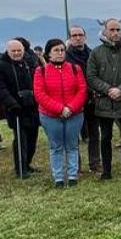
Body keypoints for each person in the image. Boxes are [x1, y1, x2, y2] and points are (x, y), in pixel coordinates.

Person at [86, 19, 121, 178]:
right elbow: (91, 77)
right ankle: (106, 171)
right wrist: (108, 89)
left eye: (118, 29)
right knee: (105, 137)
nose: (115, 33)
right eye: (112, 30)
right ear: (105, 31)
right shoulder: (96, 53)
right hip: (105, 103)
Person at [34, 38, 88, 187]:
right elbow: (40, 94)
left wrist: (70, 108)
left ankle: (72, 175)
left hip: (74, 114)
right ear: (48, 54)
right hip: (50, 115)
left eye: (62, 50)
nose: (60, 53)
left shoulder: (75, 69)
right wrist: (59, 109)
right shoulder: (41, 71)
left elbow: (82, 90)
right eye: (56, 50)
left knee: (72, 145)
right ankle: (58, 177)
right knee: (56, 146)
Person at [0, 39, 40, 177]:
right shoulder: (0, 66)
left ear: (23, 51)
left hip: (31, 106)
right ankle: (20, 168)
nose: (17, 53)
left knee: (33, 137)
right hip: (14, 108)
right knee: (20, 139)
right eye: (14, 51)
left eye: (19, 50)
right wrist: (11, 103)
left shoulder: (27, 63)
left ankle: (28, 163)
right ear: (8, 51)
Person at [65, 25, 101, 175]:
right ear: (70, 38)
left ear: (85, 37)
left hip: (92, 100)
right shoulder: (66, 58)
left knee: (94, 133)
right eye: (74, 35)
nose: (78, 38)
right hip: (74, 101)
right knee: (74, 136)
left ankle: (95, 163)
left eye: (80, 35)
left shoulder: (92, 54)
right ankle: (76, 165)